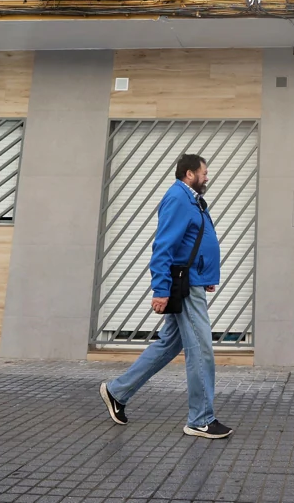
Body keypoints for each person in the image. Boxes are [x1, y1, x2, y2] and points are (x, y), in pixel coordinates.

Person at [99, 153, 233, 439]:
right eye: (204, 173)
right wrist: (160, 289)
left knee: (168, 346)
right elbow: (163, 246)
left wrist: (207, 276)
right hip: (182, 286)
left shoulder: (190, 199)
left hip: (193, 282)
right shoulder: (177, 198)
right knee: (201, 349)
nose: (207, 177)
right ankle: (200, 419)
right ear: (189, 174)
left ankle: (117, 391)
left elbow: (193, 241)